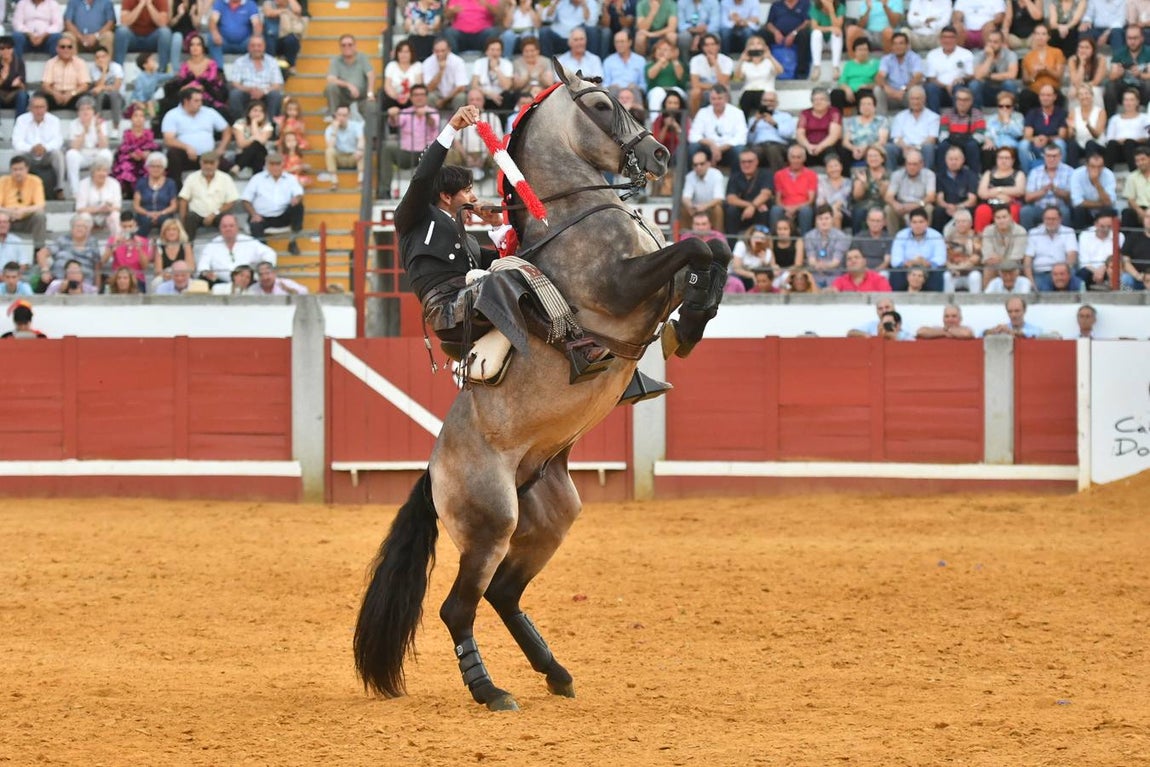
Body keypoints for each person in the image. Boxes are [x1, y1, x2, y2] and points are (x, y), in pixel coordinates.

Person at [381, 84, 440, 199]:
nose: (419, 97)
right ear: (411, 98)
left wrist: (426, 115)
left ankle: (438, 193)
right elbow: (395, 122)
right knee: (387, 148)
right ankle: (385, 190)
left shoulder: (433, 112)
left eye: (422, 95)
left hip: (427, 153)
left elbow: (433, 124)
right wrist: (393, 114)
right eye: (416, 95)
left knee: (442, 152)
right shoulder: (406, 112)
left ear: (426, 97)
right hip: (407, 153)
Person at [162, 87, 233, 182]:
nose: (200, 103)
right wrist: (187, 147)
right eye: (196, 101)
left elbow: (227, 130)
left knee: (225, 165)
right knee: (173, 154)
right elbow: (168, 139)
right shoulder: (172, 115)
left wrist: (221, 148)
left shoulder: (209, 112)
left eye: (201, 100)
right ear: (186, 101)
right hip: (186, 156)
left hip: (208, 155)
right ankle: (177, 190)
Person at [242, 152, 304, 253]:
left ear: (282, 164)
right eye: (272, 164)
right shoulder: (257, 179)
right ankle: (265, 254)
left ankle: (293, 241)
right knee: (254, 224)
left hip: (282, 216)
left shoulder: (290, 179)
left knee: (299, 207)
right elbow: (245, 200)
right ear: (266, 165)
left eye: (277, 164)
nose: (275, 167)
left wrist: (296, 199)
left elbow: (299, 193)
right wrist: (254, 214)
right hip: (262, 217)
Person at [13, 95, 67, 200]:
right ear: (30, 108)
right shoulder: (21, 120)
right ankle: (17, 189)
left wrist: (45, 147)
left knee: (58, 154)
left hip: (46, 154)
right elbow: (17, 142)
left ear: (46, 108)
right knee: (17, 155)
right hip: (29, 155)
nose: (39, 110)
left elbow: (58, 141)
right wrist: (32, 148)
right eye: (36, 107)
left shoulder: (54, 120)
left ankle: (59, 188)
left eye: (42, 107)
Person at [196, 212, 276, 283]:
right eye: (224, 226)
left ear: (237, 227)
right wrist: (206, 272)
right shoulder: (212, 245)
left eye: (231, 226)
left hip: (248, 283)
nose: (228, 229)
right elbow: (203, 265)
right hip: (221, 283)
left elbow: (270, 253)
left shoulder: (248, 241)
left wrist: (263, 269)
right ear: (220, 229)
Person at [177, 150, 238, 240]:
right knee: (189, 218)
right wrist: (182, 221)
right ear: (200, 163)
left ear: (217, 164)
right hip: (197, 214)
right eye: (205, 163)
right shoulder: (192, 177)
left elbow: (231, 201)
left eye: (211, 163)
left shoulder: (225, 178)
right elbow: (183, 199)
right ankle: (188, 249)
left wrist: (214, 214)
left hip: (217, 214)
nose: (208, 166)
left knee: (227, 220)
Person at [687, 85, 746, 171]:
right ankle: (690, 178)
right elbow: (693, 136)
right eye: (713, 99)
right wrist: (711, 144)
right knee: (693, 147)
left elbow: (741, 137)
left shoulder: (737, 113)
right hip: (708, 149)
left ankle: (736, 180)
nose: (716, 102)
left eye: (719, 98)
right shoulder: (703, 112)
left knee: (739, 150)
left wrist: (720, 149)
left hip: (728, 149)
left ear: (726, 98)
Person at [64, 97, 113, 199]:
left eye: (88, 109)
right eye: (82, 109)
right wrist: (84, 130)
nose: (85, 112)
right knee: (71, 154)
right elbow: (74, 147)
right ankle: (75, 191)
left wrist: (98, 130)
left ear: (93, 111)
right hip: (81, 155)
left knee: (106, 153)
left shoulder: (100, 123)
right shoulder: (73, 124)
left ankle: (106, 189)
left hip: (96, 155)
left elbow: (104, 145)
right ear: (78, 112)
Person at [114, 0, 181, 73]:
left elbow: (163, 23)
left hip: (152, 39)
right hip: (133, 38)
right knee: (121, 31)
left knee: (165, 32)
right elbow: (124, 22)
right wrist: (140, 5)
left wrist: (149, 5)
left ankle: (162, 71)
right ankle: (118, 72)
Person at [37, 214, 103, 288]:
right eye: (77, 226)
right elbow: (41, 253)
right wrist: (45, 271)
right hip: (59, 281)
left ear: (88, 230)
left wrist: (97, 289)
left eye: (83, 226)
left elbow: (97, 267)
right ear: (71, 228)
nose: (79, 229)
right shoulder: (62, 240)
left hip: (84, 286)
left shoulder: (92, 243)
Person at [228, 35, 285, 119]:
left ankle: (269, 126)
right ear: (248, 47)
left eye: (259, 46)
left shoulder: (272, 61)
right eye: (253, 46)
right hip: (246, 92)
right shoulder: (240, 61)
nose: (256, 48)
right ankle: (240, 124)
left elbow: (277, 84)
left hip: (266, 93)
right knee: (235, 94)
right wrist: (249, 90)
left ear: (264, 47)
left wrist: (263, 91)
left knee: (275, 95)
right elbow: (235, 83)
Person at [0, 156, 49, 251]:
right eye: (15, 169)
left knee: (40, 215)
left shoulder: (35, 181)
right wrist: (8, 212)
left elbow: (40, 205)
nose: (18, 172)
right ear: (10, 170)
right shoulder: (2, 181)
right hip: (6, 218)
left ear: (27, 169)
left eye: (21, 169)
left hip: (27, 219)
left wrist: (23, 211)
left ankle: (38, 250)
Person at [890, 206, 945, 290]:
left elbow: (940, 258)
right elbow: (895, 260)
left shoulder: (936, 235)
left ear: (927, 223)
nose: (917, 225)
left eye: (921, 222)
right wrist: (909, 263)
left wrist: (927, 263)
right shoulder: (901, 235)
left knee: (937, 273)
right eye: (914, 222)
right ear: (910, 223)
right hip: (907, 269)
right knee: (896, 273)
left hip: (928, 269)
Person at [1024, 205, 1077, 291]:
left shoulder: (1069, 232)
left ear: (1060, 219)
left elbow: (1072, 255)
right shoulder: (1033, 233)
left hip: (1062, 272)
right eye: (1048, 219)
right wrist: (1030, 281)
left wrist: (1064, 272)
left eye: (1053, 219)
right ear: (1043, 219)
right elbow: (1027, 259)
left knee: (1077, 281)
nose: (1050, 222)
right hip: (1041, 273)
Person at [884, 147, 936, 234]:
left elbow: (931, 197)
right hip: (902, 206)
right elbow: (888, 196)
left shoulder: (929, 174)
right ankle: (893, 239)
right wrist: (895, 204)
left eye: (915, 164)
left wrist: (915, 205)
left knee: (929, 208)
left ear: (921, 164)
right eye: (909, 164)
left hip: (920, 206)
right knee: (889, 209)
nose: (911, 167)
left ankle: (925, 236)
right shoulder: (897, 174)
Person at [924, 26, 974, 114]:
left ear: (956, 39)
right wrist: (946, 86)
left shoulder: (966, 54)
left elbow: (970, 75)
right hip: (939, 90)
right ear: (940, 39)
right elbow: (931, 78)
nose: (947, 40)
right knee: (931, 87)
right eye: (944, 37)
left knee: (959, 88)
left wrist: (962, 79)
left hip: (958, 88)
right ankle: (934, 120)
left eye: (951, 37)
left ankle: (959, 120)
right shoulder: (932, 54)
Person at [1018, 83, 1068, 171]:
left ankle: (1059, 173)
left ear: (1054, 97)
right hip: (1036, 144)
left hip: (1053, 144)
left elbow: (1062, 135)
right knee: (1023, 145)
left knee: (1061, 143)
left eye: (1048, 95)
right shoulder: (1032, 112)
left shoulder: (1061, 113)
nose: (1045, 98)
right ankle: (1028, 175)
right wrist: (1035, 139)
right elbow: (1027, 135)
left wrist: (1047, 139)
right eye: (1042, 95)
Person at [888, 85, 939, 170]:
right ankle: (890, 178)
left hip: (922, 149)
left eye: (918, 98)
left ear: (924, 99)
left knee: (929, 147)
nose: (915, 102)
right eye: (912, 99)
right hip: (904, 149)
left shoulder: (933, 117)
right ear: (908, 100)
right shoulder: (900, 116)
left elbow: (932, 139)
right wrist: (905, 148)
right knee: (889, 148)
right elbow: (896, 138)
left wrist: (916, 149)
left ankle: (926, 176)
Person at [1104, 25, 1150, 117]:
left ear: (1142, 38)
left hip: (1142, 86)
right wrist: (1118, 74)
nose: (1132, 41)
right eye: (1129, 38)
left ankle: (1146, 118)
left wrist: (1140, 74)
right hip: (1123, 86)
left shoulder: (1148, 52)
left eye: (1135, 38)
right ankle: (1110, 119)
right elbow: (1111, 76)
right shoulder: (1119, 53)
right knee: (1110, 86)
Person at [968, 29, 1020, 111]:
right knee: (974, 84)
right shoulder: (979, 55)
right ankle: (976, 115)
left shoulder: (1010, 54)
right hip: (985, 90)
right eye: (990, 41)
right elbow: (977, 76)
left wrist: (989, 76)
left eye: (995, 42)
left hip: (1003, 90)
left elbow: (1012, 75)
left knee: (1009, 84)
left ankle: (1011, 113)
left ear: (1002, 44)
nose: (991, 45)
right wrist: (989, 58)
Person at [770, 144, 817, 232]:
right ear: (788, 158)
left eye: (799, 157)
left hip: (803, 207)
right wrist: (786, 208)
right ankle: (774, 241)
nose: (795, 160)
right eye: (793, 157)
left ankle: (805, 242)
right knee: (775, 210)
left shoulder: (811, 174)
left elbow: (810, 200)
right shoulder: (779, 175)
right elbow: (777, 199)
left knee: (806, 211)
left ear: (804, 159)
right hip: (784, 208)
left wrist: (795, 208)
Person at [326, 34, 376, 118]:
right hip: (344, 99)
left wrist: (370, 93)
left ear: (355, 46)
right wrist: (349, 85)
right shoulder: (336, 60)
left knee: (372, 106)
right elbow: (330, 79)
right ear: (340, 47)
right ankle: (334, 117)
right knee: (331, 87)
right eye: (343, 45)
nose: (347, 47)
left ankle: (372, 131)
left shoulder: (362, 57)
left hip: (361, 98)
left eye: (350, 44)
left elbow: (371, 74)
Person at [724, 149, 772, 235]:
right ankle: (732, 244)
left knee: (763, 209)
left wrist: (753, 207)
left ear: (757, 162)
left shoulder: (765, 174)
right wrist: (752, 206)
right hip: (742, 211)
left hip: (760, 211)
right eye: (743, 162)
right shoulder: (735, 177)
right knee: (731, 210)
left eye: (750, 161)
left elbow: (766, 194)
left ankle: (762, 241)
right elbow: (731, 199)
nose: (746, 164)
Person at [744, 90, 794, 172]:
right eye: (765, 101)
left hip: (778, 145)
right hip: (759, 146)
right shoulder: (753, 119)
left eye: (771, 101)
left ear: (776, 103)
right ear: (761, 102)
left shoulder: (785, 116)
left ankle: (778, 179)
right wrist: (755, 123)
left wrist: (774, 124)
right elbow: (749, 140)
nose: (768, 103)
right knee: (751, 155)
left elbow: (789, 134)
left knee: (772, 149)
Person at [1019, 25, 1065, 114]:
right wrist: (1035, 74)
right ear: (1034, 36)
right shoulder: (1027, 57)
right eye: (1038, 34)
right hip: (1035, 92)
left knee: (1059, 97)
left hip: (1052, 91)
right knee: (1025, 95)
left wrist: (1047, 69)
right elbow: (1026, 81)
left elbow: (1059, 76)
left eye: (1043, 34)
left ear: (1048, 37)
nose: (1040, 37)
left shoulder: (1057, 52)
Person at [873, 31, 921, 115]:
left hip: (907, 94)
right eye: (895, 44)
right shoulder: (886, 59)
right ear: (892, 46)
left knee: (916, 90)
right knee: (878, 90)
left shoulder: (914, 58)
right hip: (891, 94)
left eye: (901, 43)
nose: (898, 46)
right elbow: (879, 76)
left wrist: (903, 90)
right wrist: (887, 88)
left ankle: (915, 122)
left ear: (907, 45)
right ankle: (881, 121)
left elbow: (917, 77)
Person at [802, 204, 851, 287]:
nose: (823, 222)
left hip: (835, 275)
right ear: (816, 220)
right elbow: (811, 259)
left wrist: (822, 265)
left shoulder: (841, 237)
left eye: (826, 218)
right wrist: (817, 265)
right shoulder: (809, 236)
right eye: (820, 219)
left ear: (832, 219)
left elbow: (836, 262)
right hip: (815, 275)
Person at [765, 0, 814, 80]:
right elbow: (769, 23)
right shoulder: (776, 5)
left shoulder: (805, 3)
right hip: (777, 34)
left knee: (805, 35)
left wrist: (794, 33)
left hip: (797, 33)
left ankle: (801, 72)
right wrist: (776, 32)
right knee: (762, 35)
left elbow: (807, 22)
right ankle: (765, 69)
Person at [133, 151, 179, 236]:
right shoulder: (141, 182)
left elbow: (173, 206)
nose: (155, 169)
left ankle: (166, 247)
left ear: (164, 168)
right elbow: (136, 206)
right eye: (152, 166)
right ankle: (140, 246)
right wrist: (148, 213)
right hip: (145, 213)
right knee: (145, 221)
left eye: (159, 166)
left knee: (165, 222)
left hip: (164, 213)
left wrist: (160, 213)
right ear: (148, 167)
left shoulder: (170, 183)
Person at [75, 159, 122, 241]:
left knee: (115, 216)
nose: (102, 173)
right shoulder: (83, 184)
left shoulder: (114, 183)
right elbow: (80, 208)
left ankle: (116, 244)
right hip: (90, 215)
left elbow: (118, 207)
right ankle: (84, 245)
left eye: (105, 171)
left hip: (108, 215)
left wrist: (108, 209)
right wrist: (98, 209)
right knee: (84, 217)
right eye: (98, 170)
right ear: (93, 172)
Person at [934, 145, 979, 232]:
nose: (953, 162)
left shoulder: (970, 175)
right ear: (946, 160)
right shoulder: (940, 176)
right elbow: (939, 199)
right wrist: (947, 206)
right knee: (938, 211)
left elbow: (972, 200)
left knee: (972, 211)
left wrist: (958, 207)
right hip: (947, 208)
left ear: (962, 160)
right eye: (951, 159)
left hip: (964, 207)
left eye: (956, 159)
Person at [796, 88, 844, 168]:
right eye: (815, 100)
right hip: (808, 146)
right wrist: (808, 146)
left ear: (828, 102)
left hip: (828, 146)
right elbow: (800, 133)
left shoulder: (834, 112)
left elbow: (834, 135)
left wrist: (820, 147)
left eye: (822, 99)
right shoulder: (805, 113)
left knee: (832, 153)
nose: (818, 102)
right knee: (796, 152)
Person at [1068, 150, 1115, 231]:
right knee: (1078, 211)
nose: (1096, 170)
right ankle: (1079, 237)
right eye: (1093, 166)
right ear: (1087, 165)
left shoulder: (1108, 174)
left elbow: (1109, 202)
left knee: (1110, 210)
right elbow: (1077, 202)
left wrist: (1096, 182)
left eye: (1100, 166)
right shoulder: (1077, 174)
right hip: (1085, 211)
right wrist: (1101, 204)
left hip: (1103, 211)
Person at [101, 212, 151, 288]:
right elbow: (103, 261)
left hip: (136, 278)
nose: (128, 229)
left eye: (130, 226)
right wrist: (112, 246)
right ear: (120, 225)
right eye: (124, 226)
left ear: (135, 225)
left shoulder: (143, 241)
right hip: (118, 278)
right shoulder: (113, 240)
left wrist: (140, 250)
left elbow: (145, 267)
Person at [1103, 89, 1150, 170]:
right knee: (1112, 144)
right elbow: (1109, 138)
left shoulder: (1145, 118)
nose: (1128, 103)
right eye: (1126, 100)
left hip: (1136, 149)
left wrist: (1131, 140)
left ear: (1137, 102)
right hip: (1118, 150)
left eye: (1131, 100)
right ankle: (1107, 173)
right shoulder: (1115, 119)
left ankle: (1135, 173)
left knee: (1129, 142)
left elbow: (1147, 136)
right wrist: (1121, 141)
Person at [687, 33, 732, 113]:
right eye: (706, 45)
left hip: (720, 91)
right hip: (703, 92)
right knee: (695, 92)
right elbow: (695, 84)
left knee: (725, 90)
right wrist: (714, 86)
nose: (710, 48)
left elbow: (722, 83)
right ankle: (695, 120)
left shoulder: (727, 61)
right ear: (703, 47)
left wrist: (715, 63)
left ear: (718, 46)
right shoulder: (696, 60)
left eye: (712, 44)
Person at [324, 105, 366, 191]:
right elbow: (330, 146)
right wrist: (335, 130)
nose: (341, 118)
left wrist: (359, 150)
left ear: (349, 115)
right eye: (339, 115)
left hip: (353, 156)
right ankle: (334, 182)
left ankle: (360, 182)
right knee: (329, 151)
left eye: (344, 115)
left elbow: (361, 139)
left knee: (363, 150)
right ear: (335, 115)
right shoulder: (329, 129)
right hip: (340, 158)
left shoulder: (356, 125)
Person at [1076, 207, 1120, 289]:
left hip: (1108, 269)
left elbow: (1115, 259)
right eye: (1102, 226)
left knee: (1115, 272)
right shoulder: (1085, 235)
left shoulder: (1119, 236)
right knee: (1081, 274)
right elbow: (1084, 262)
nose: (1106, 229)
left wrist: (1103, 268)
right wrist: (1096, 271)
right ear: (1095, 224)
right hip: (1089, 270)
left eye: (1109, 226)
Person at [207, 0, 261, 66]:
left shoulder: (250, 4)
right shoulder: (220, 2)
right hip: (223, 42)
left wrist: (255, 37)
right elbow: (212, 20)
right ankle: (219, 70)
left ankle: (252, 70)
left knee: (258, 40)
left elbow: (257, 24)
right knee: (211, 38)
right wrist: (215, 33)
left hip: (245, 44)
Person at [830, 38, 878, 113]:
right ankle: (837, 120)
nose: (863, 52)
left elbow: (879, 82)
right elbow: (842, 81)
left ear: (869, 51)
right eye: (860, 50)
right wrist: (847, 89)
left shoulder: (875, 64)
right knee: (835, 93)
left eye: (865, 49)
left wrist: (868, 86)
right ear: (855, 52)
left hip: (865, 92)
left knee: (863, 93)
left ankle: (863, 120)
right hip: (849, 94)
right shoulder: (849, 64)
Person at [681, 151, 726, 229]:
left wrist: (704, 206)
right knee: (685, 209)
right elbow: (685, 197)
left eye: (701, 164)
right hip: (695, 209)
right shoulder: (690, 176)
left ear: (708, 163)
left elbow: (719, 199)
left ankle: (718, 237)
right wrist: (690, 206)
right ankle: (685, 237)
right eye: (695, 165)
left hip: (710, 208)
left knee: (718, 209)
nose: (698, 167)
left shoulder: (716, 174)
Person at [1066, 84, 1106, 167]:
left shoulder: (1100, 112)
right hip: (1080, 144)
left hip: (1096, 145)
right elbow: (1070, 135)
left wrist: (1088, 126)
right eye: (1081, 94)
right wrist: (1072, 129)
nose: (1084, 96)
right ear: (1078, 97)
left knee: (1090, 143)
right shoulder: (1073, 112)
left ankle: (1091, 170)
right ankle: (1073, 174)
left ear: (1092, 95)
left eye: (1086, 93)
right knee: (1072, 145)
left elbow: (1097, 135)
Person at [87, 47, 124, 133]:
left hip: (118, 99)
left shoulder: (116, 67)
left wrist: (101, 87)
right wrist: (104, 71)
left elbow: (116, 87)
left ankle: (116, 127)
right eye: (98, 57)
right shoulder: (93, 69)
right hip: (102, 99)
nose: (100, 59)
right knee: (100, 94)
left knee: (113, 94)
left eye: (103, 57)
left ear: (109, 57)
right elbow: (98, 87)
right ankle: (97, 125)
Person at [262, 0, 305, 70]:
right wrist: (283, 11)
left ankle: (291, 64)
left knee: (292, 39)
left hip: (286, 35)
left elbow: (298, 11)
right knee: (269, 39)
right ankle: (270, 67)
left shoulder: (291, 3)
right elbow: (268, 13)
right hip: (272, 36)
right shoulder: (269, 2)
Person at [153, 217, 195, 286]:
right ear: (164, 233)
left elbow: (191, 268)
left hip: (183, 276)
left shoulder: (186, 245)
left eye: (174, 229)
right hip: (166, 277)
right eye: (168, 230)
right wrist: (167, 276)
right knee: (156, 281)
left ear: (179, 232)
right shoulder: (160, 245)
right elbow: (158, 271)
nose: (171, 232)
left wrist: (178, 276)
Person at [603, 30, 647, 95]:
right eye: (617, 42)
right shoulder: (608, 61)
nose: (619, 45)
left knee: (635, 90)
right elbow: (605, 84)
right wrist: (613, 86)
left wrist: (636, 87)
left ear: (630, 42)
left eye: (622, 42)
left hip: (633, 92)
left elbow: (644, 84)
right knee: (613, 89)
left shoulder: (640, 60)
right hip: (615, 93)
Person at [817, 154, 853, 231]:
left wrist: (830, 209)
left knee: (836, 214)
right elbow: (820, 200)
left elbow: (840, 200)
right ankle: (819, 241)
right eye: (830, 167)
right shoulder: (822, 181)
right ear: (826, 169)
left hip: (843, 212)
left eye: (836, 166)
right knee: (821, 215)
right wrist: (827, 210)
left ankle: (837, 242)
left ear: (841, 167)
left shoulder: (848, 182)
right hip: (824, 210)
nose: (833, 169)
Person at [849, 206, 891, 271]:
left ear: (884, 222)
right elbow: (855, 258)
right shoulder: (859, 237)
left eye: (878, 221)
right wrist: (867, 271)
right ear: (867, 221)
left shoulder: (888, 238)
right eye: (872, 220)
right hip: (861, 270)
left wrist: (875, 273)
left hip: (881, 271)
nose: (875, 224)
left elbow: (886, 261)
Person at [1119, 207, 1150, 290]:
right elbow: (1125, 261)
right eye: (1147, 217)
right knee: (1125, 278)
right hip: (1137, 277)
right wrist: (1137, 276)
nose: (1149, 220)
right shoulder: (1133, 236)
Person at [0, 37, 30, 121]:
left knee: (23, 95)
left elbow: (24, 87)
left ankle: (19, 124)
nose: (6, 51)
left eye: (9, 48)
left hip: (14, 94)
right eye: (2, 48)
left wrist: (19, 84)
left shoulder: (19, 62)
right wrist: (3, 78)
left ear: (13, 49)